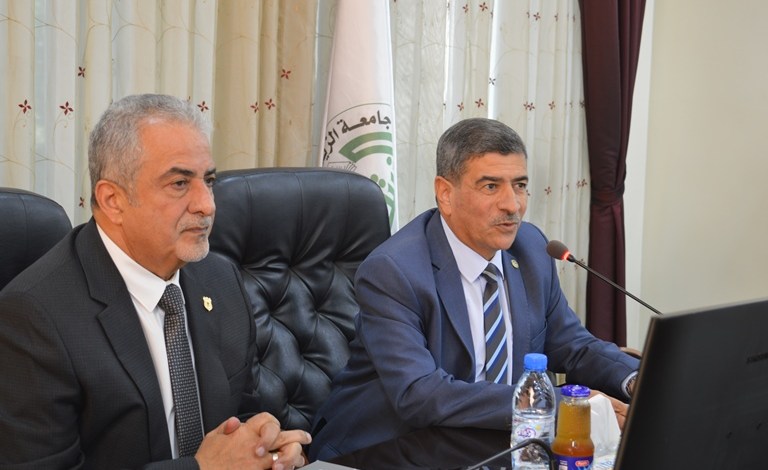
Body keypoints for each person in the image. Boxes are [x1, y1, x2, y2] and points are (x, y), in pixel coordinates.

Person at [0, 94, 310, 469]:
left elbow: (241, 415)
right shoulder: (34, 316)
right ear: (112, 200)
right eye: (179, 183)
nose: (207, 205)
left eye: (209, 181)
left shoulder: (220, 279)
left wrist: (266, 446)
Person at [309, 117, 640, 461]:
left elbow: (574, 346)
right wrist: (559, 403)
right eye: (491, 186)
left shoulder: (530, 249)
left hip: (492, 442)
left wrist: (636, 381)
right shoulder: (393, 271)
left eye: (520, 185)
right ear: (445, 194)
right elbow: (420, 394)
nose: (512, 205)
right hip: (385, 448)